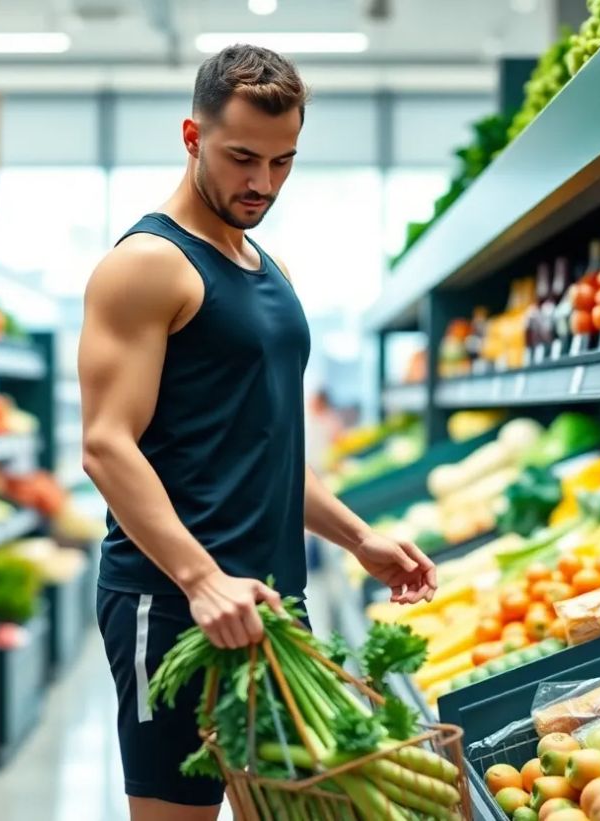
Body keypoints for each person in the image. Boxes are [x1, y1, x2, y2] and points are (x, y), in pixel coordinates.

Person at [78, 44, 438, 821]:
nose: (262, 183)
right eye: (242, 157)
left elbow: (267, 454)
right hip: (175, 605)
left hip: (276, 600)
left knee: (297, 811)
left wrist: (357, 537)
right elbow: (106, 443)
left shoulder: (263, 266)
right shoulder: (149, 265)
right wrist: (201, 580)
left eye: (283, 162)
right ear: (191, 136)